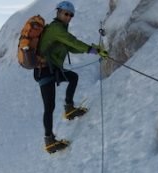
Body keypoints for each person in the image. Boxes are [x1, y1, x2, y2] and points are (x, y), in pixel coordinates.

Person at [34, 1, 108, 152]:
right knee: (49, 106)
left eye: (71, 15)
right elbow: (72, 41)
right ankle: (49, 141)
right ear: (59, 12)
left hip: (53, 69)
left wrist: (93, 50)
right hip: (44, 70)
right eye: (66, 14)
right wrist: (91, 49)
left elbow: (71, 47)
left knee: (73, 77)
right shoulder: (56, 28)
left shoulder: (60, 30)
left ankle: (69, 109)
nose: (68, 17)